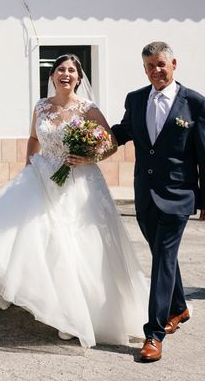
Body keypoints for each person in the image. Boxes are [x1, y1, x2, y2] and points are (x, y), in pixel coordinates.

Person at [0, 54, 149, 348]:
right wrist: (31, 165)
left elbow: (110, 143)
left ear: (80, 78)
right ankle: (52, 304)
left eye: (72, 70)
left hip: (80, 182)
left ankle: (76, 315)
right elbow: (33, 139)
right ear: (53, 76)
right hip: (42, 179)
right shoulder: (41, 106)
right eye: (61, 69)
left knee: (76, 246)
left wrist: (87, 158)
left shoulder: (88, 109)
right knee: (39, 243)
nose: (66, 74)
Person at [111, 41, 205, 362]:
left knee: (162, 258)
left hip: (179, 196)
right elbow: (124, 131)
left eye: (161, 64)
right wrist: (89, 138)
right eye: (150, 66)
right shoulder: (136, 99)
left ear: (174, 64)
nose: (156, 71)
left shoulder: (195, 103)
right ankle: (178, 308)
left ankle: (154, 333)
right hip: (145, 195)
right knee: (162, 255)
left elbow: (204, 156)